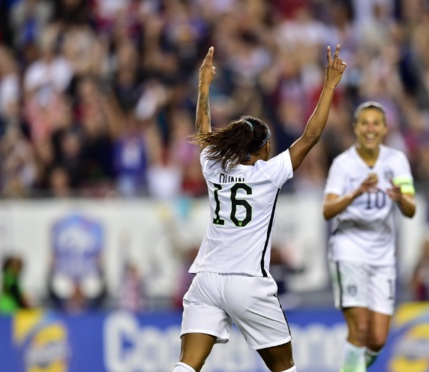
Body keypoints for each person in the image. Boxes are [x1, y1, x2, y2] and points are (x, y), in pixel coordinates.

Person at [173, 45, 346, 372]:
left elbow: (203, 132)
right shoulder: (268, 173)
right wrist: (330, 86)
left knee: (188, 365)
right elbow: (310, 136)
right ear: (264, 149)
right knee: (285, 367)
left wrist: (203, 87)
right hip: (248, 282)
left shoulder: (213, 166)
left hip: (207, 279)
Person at [322, 101, 416, 372]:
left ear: (385, 128)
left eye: (376, 123)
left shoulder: (396, 161)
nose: (370, 128)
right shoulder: (343, 165)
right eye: (365, 123)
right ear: (356, 128)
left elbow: (411, 209)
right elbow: (327, 210)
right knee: (360, 328)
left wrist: (401, 199)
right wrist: (355, 193)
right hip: (348, 250)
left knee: (378, 339)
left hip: (383, 256)